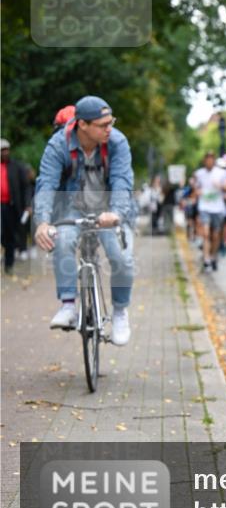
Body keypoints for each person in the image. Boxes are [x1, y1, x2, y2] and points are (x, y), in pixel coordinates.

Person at [33, 95, 135, 345]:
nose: (109, 129)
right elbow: (46, 184)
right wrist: (43, 222)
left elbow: (122, 181)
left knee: (121, 257)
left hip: (108, 209)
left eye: (111, 122)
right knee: (63, 240)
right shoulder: (58, 144)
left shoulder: (117, 142)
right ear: (83, 124)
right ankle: (68, 305)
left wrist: (116, 213)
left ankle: (120, 312)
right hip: (72, 208)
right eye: (103, 125)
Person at [1, 139, 34, 274]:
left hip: (12, 206)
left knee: (11, 234)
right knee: (2, 234)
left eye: (6, 150)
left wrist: (27, 204)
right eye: (2, 151)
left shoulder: (17, 166)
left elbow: (27, 187)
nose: (5, 153)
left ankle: (9, 264)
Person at [193, 151, 226, 271]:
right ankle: (206, 259)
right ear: (204, 161)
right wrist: (197, 192)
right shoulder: (199, 174)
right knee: (206, 234)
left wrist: (220, 186)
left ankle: (213, 256)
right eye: (207, 159)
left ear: (214, 161)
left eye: (211, 159)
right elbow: (195, 189)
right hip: (204, 207)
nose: (209, 161)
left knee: (216, 235)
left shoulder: (221, 173)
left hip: (217, 208)